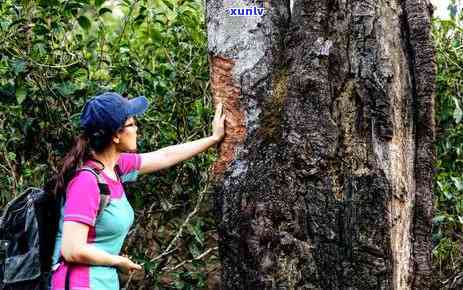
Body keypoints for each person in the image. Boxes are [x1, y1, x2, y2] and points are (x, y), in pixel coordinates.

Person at [49, 92, 226, 290]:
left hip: (101, 281)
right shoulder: (86, 181)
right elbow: (72, 249)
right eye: (132, 124)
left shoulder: (115, 166)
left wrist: (213, 138)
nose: (137, 129)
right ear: (116, 135)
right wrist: (117, 261)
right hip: (79, 283)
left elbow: (165, 156)